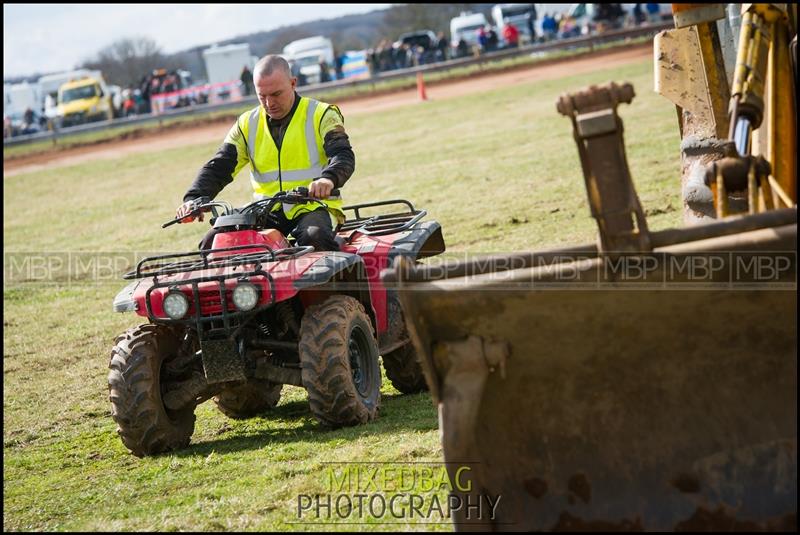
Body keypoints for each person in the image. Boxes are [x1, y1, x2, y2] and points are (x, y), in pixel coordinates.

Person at [176, 55, 355, 252]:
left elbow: (342, 155)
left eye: (276, 94)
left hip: (314, 206)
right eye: (262, 96)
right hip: (266, 210)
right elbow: (220, 166)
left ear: (293, 83)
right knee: (213, 242)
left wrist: (327, 180)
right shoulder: (247, 123)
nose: (269, 103)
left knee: (315, 238)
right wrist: (194, 198)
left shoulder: (322, 114)